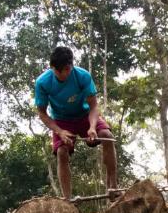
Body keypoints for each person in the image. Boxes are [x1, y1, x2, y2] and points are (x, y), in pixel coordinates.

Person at [35, 46, 118, 200]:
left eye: (67, 69)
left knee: (107, 135)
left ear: (71, 66)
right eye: (60, 71)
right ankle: (67, 200)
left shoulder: (82, 76)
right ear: (53, 68)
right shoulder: (43, 82)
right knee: (61, 152)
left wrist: (92, 127)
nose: (64, 74)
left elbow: (93, 106)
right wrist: (59, 131)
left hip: (85, 115)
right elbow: (42, 113)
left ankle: (112, 187)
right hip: (62, 121)